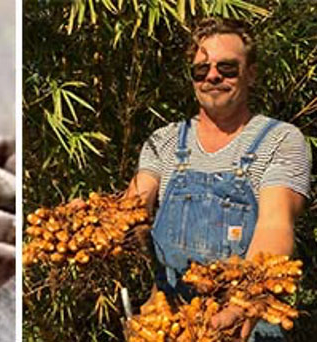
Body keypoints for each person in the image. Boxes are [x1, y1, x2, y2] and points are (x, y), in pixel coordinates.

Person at [124, 18, 312, 341]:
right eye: (201, 68)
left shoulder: (280, 140)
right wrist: (100, 221)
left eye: (227, 67)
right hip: (168, 325)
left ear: (250, 74)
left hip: (245, 326)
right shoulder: (164, 141)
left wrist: (242, 302)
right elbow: (134, 207)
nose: (212, 76)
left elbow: (275, 226)